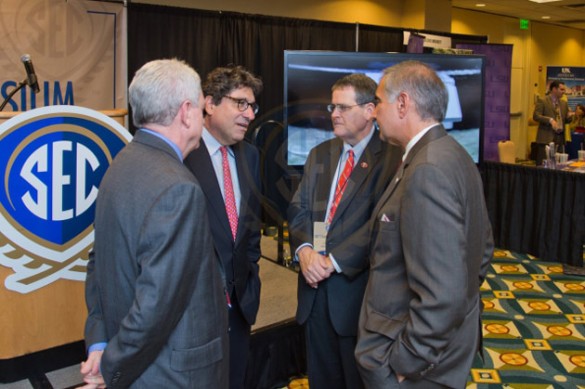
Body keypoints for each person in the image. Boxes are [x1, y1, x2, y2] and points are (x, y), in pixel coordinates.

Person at [80, 59, 229, 388]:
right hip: (172, 375)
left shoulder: (119, 166)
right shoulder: (179, 188)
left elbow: (98, 264)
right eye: (202, 111)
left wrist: (101, 342)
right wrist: (111, 365)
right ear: (187, 112)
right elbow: (156, 307)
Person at [355, 61, 493, 389]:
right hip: (445, 349)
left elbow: (442, 294)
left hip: (418, 367)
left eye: (378, 103)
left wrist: (406, 362)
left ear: (403, 103)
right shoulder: (453, 154)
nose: (373, 113)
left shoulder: (428, 169)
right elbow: (482, 251)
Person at [288, 73, 402, 389]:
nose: (334, 114)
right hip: (314, 294)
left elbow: (381, 226)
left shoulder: (394, 160)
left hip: (358, 300)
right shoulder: (320, 154)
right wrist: (307, 251)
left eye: (343, 107)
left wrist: (332, 261)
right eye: (332, 106)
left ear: (370, 111)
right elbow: (300, 210)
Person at [184, 65, 263, 389]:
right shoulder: (183, 153)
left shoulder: (251, 157)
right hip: (194, 312)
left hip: (240, 306)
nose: (249, 114)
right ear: (210, 103)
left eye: (253, 106)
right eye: (240, 103)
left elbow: (251, 228)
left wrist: (251, 276)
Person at [533, 80, 573, 146]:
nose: (564, 92)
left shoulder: (564, 103)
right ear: (554, 89)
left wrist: (569, 116)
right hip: (546, 139)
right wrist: (550, 120)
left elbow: (566, 121)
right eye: (562, 89)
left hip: (560, 139)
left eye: (564, 90)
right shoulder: (543, 100)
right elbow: (536, 116)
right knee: (545, 156)